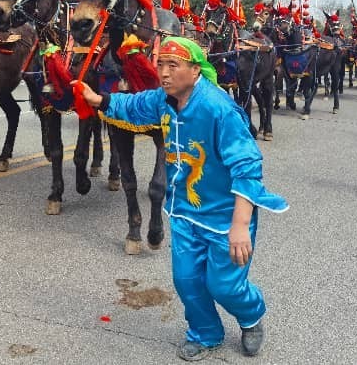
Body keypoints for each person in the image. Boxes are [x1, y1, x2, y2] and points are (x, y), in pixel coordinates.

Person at [74, 37, 288, 360]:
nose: (164, 73)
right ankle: (206, 332)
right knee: (186, 280)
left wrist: (241, 225)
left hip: (224, 217)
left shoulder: (219, 109)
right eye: (160, 64)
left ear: (194, 69)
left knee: (224, 286)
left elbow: (247, 167)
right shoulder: (163, 99)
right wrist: (97, 99)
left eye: (173, 66)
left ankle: (251, 316)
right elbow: (133, 105)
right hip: (186, 212)